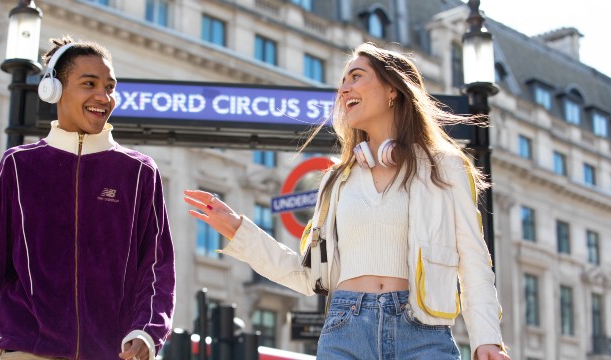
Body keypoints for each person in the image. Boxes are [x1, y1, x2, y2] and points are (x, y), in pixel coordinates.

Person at [185, 42, 509, 359]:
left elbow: (474, 261)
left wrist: (486, 340)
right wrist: (240, 230)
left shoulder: (445, 167)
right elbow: (308, 275)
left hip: (422, 335)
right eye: (342, 82)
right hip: (345, 329)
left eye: (356, 76)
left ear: (393, 89)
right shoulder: (336, 181)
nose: (343, 89)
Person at [0, 36, 175, 360]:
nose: (103, 96)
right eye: (89, 83)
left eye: (110, 86)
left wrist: (147, 332)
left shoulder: (138, 172)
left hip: (111, 353)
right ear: (54, 89)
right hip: (28, 351)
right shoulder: (19, 166)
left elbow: (156, 267)